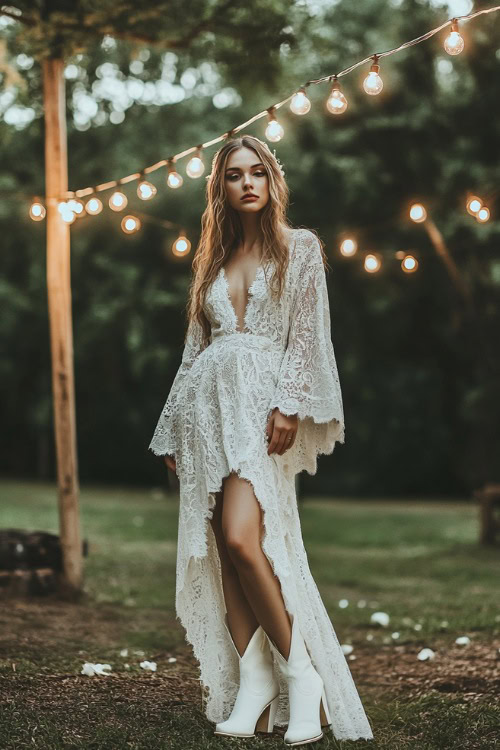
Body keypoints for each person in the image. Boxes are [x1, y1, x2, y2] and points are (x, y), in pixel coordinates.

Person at [149, 134, 374, 744]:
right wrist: (172, 425)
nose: (247, 183)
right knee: (223, 552)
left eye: (257, 172)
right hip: (206, 414)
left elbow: (306, 334)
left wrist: (290, 404)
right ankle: (255, 683)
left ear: (272, 181)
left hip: (259, 409)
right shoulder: (212, 264)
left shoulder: (299, 249)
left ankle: (302, 676)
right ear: (219, 189)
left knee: (244, 539)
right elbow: (196, 353)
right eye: (233, 175)